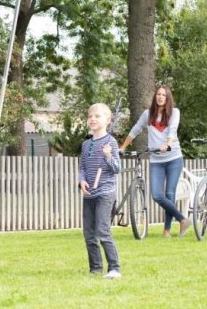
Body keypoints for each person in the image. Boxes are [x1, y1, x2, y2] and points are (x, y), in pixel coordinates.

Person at [119, 85, 190, 238]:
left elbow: (173, 129)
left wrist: (168, 144)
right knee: (157, 195)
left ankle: (166, 231)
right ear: (155, 96)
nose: (160, 97)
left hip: (173, 158)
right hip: (156, 160)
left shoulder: (174, 113)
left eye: (163, 95)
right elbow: (136, 129)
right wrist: (123, 147)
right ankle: (183, 219)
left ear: (168, 97)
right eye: (158, 94)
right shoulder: (148, 114)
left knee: (170, 193)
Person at [78, 103, 122, 279]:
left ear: (107, 120)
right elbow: (82, 167)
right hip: (89, 194)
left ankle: (114, 268)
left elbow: (117, 168)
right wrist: (81, 180)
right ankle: (95, 269)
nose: (93, 119)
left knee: (102, 231)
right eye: (90, 116)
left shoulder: (111, 142)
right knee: (89, 233)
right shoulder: (86, 144)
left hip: (105, 192)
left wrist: (108, 156)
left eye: (97, 116)